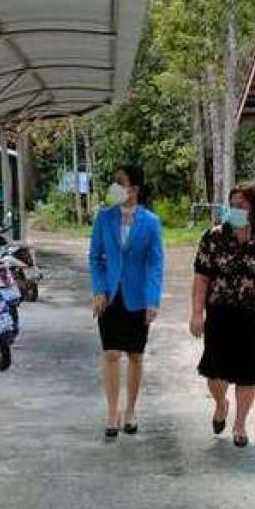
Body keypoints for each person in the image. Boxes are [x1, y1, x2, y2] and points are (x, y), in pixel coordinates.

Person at [190, 183, 255, 448]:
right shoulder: (213, 237)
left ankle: (240, 423)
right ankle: (221, 404)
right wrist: (196, 314)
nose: (235, 210)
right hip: (220, 314)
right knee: (215, 373)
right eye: (231, 205)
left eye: (241, 206)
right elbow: (201, 278)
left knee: (249, 374)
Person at [89, 165, 164, 438]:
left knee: (135, 355)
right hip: (110, 295)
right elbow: (95, 257)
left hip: (138, 297)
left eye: (120, 183)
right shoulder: (104, 217)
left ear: (134, 189)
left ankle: (131, 409)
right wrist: (99, 289)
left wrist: (152, 299)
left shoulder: (151, 222)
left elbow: (155, 263)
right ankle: (112, 412)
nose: (114, 187)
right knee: (110, 353)